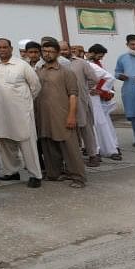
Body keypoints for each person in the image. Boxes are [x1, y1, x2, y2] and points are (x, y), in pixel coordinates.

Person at [0, 38, 44, 186]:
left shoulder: (22, 65)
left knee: (27, 142)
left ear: (11, 48)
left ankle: (35, 175)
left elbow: (36, 86)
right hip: (1, 112)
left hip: (21, 112)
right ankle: (11, 172)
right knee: (4, 141)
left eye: (5, 47)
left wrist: (24, 102)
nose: (2, 50)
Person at [34, 40, 85, 188]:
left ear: (57, 53)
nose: (47, 54)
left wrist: (71, 116)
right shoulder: (38, 71)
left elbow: (73, 95)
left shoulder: (66, 72)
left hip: (62, 115)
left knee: (70, 148)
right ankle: (54, 173)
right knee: (48, 145)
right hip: (44, 116)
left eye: (50, 51)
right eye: (44, 51)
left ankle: (78, 177)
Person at [59, 40, 102, 168]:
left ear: (70, 50)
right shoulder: (56, 64)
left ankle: (93, 155)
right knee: (70, 130)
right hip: (63, 103)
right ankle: (74, 157)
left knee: (86, 128)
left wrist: (83, 88)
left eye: (65, 49)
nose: (62, 52)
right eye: (60, 50)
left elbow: (94, 79)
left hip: (81, 102)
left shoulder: (81, 63)